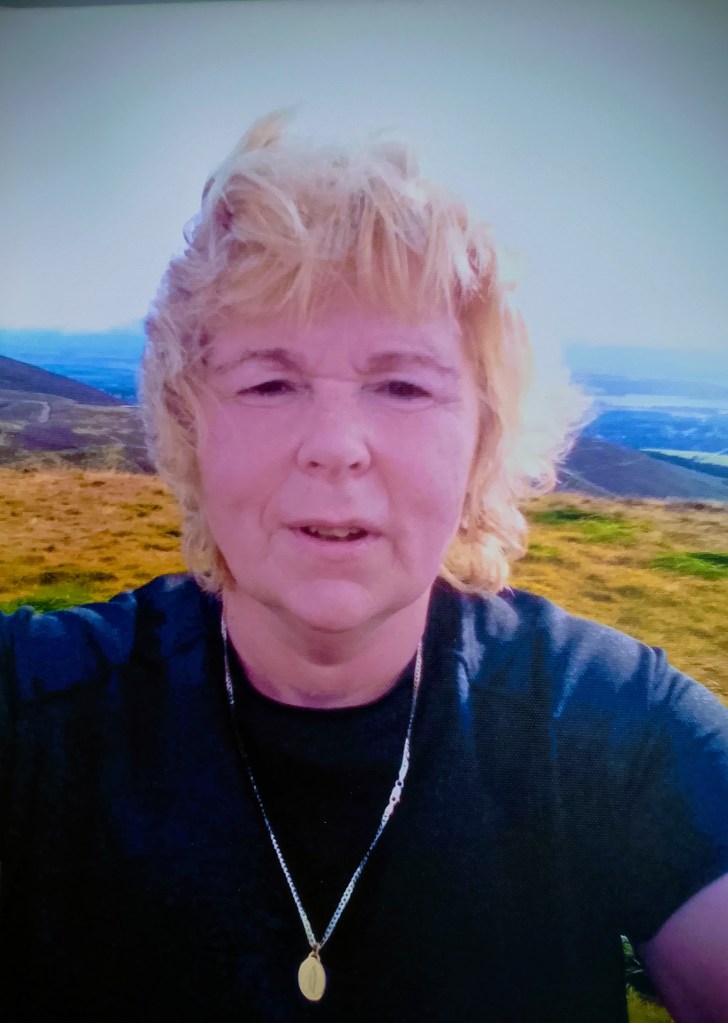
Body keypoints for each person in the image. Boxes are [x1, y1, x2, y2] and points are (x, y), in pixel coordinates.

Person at [1, 110, 727, 1023]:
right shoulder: (36, 712)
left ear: (484, 437)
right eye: (271, 382)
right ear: (190, 427)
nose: (336, 445)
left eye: (403, 385)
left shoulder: (611, 727)